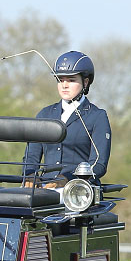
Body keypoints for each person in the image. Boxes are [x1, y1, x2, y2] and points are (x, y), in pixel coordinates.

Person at [23, 51, 111, 189]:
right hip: (45, 189)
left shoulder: (97, 117)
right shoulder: (44, 114)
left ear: (85, 82)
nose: (64, 85)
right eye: (60, 80)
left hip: (78, 191)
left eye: (71, 80)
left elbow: (98, 164)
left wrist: (68, 179)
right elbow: (31, 157)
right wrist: (30, 175)